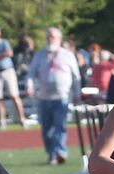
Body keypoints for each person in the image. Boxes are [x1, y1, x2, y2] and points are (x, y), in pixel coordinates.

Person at [26, 27, 81, 165]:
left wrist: (77, 93)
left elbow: (76, 76)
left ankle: (60, 152)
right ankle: (51, 154)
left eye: (53, 37)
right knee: (46, 129)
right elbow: (31, 73)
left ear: (59, 39)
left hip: (62, 96)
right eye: (48, 36)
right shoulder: (40, 55)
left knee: (60, 126)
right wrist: (30, 85)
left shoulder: (67, 55)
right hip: (44, 97)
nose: (50, 39)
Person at [0, 24, 28, 129]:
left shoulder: (4, 42)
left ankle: (22, 119)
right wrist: (1, 55)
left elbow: (9, 53)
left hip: (8, 71)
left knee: (14, 95)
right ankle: (2, 122)